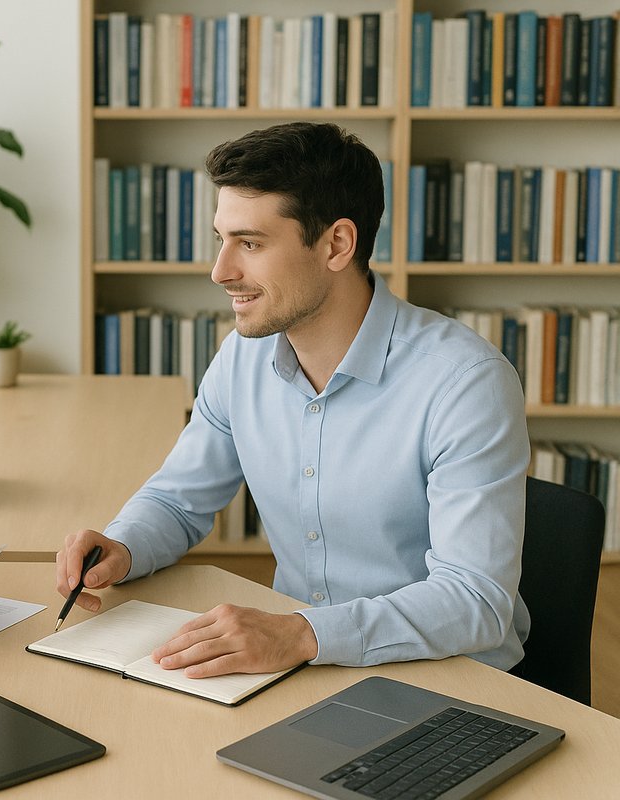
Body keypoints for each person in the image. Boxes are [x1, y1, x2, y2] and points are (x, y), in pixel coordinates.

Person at [56, 122, 530, 679]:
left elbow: (476, 601)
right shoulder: (242, 358)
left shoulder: (465, 382)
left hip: (445, 677)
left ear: (337, 245)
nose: (221, 271)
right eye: (221, 239)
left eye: (250, 244)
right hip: (299, 664)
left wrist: (302, 633)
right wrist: (122, 546)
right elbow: (178, 501)